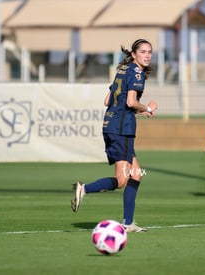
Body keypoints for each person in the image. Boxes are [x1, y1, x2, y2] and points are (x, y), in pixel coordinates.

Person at [71, 39, 157, 232]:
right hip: (121, 129)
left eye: (149, 52)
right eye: (143, 51)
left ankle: (127, 223)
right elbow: (131, 101)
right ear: (134, 54)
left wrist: (136, 109)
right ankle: (84, 189)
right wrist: (147, 108)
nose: (147, 55)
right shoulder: (136, 73)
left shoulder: (122, 70)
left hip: (111, 125)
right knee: (121, 180)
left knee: (136, 174)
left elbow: (108, 100)